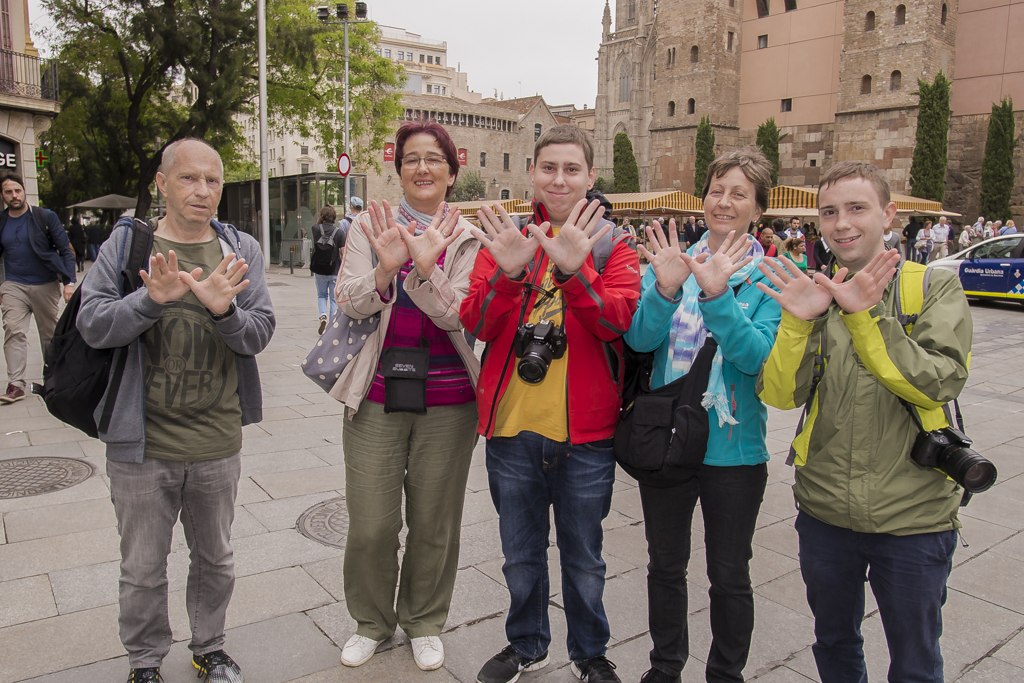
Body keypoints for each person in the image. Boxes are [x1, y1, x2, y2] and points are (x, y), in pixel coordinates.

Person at [756, 161, 972, 683]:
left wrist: (866, 316)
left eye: (857, 208)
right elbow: (783, 394)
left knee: (916, 660)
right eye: (829, 212)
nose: (842, 223)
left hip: (913, 516)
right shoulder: (818, 290)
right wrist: (796, 321)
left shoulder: (932, 288)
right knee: (833, 643)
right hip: (827, 510)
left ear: (888, 215)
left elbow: (937, 383)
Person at [78, 138, 276, 683]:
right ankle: (145, 662)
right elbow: (92, 323)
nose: (203, 191)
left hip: (215, 438)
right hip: (141, 443)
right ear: (161, 183)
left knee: (216, 559)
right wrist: (149, 300)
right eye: (189, 179)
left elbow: (259, 333)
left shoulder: (241, 250)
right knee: (142, 568)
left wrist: (225, 312)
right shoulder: (127, 245)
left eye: (212, 181)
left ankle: (209, 647)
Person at [461, 124, 640, 683]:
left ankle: (589, 653)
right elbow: (477, 322)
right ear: (531, 173)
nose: (558, 179)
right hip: (513, 430)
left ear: (591, 177)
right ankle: (526, 643)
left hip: (585, 436)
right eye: (548, 168)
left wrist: (572, 268)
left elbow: (618, 322)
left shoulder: (615, 245)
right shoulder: (508, 241)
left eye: (571, 169)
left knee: (584, 558)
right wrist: (511, 272)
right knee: (520, 554)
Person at [624, 148, 780, 683]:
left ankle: (725, 674)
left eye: (739, 193)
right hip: (668, 439)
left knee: (729, 574)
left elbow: (756, 357)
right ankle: (665, 667)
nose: (725, 202)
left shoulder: (772, 278)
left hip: (732, 450)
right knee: (665, 566)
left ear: (759, 207)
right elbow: (640, 340)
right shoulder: (674, 262)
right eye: (717, 190)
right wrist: (667, 288)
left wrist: (718, 296)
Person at [331, 120, 481, 672]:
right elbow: (347, 302)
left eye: (434, 160)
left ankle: (423, 619)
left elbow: (460, 314)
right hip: (374, 393)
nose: (423, 168)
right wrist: (384, 270)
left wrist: (421, 270)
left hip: (449, 400)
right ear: (398, 170)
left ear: (451, 172)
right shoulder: (369, 226)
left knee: (435, 519)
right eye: (412, 159)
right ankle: (370, 620)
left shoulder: (471, 236)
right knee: (371, 522)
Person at [0, 171, 77, 404]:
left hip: (45, 283)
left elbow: (65, 250)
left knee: (49, 335)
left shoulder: (44, 217)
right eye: (8, 192)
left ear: (24, 191)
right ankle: (16, 384)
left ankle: (54, 378)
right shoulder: (1, 221)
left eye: (17, 191)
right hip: (14, 284)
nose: (14, 196)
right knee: (13, 329)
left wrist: (69, 282)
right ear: (2, 195)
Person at [309, 204, 345, 334]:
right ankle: (331, 326)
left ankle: (322, 315)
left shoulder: (315, 229)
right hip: (334, 270)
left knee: (321, 295)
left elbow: (317, 226)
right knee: (333, 299)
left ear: (322, 216)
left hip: (319, 269)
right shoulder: (339, 233)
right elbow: (343, 252)